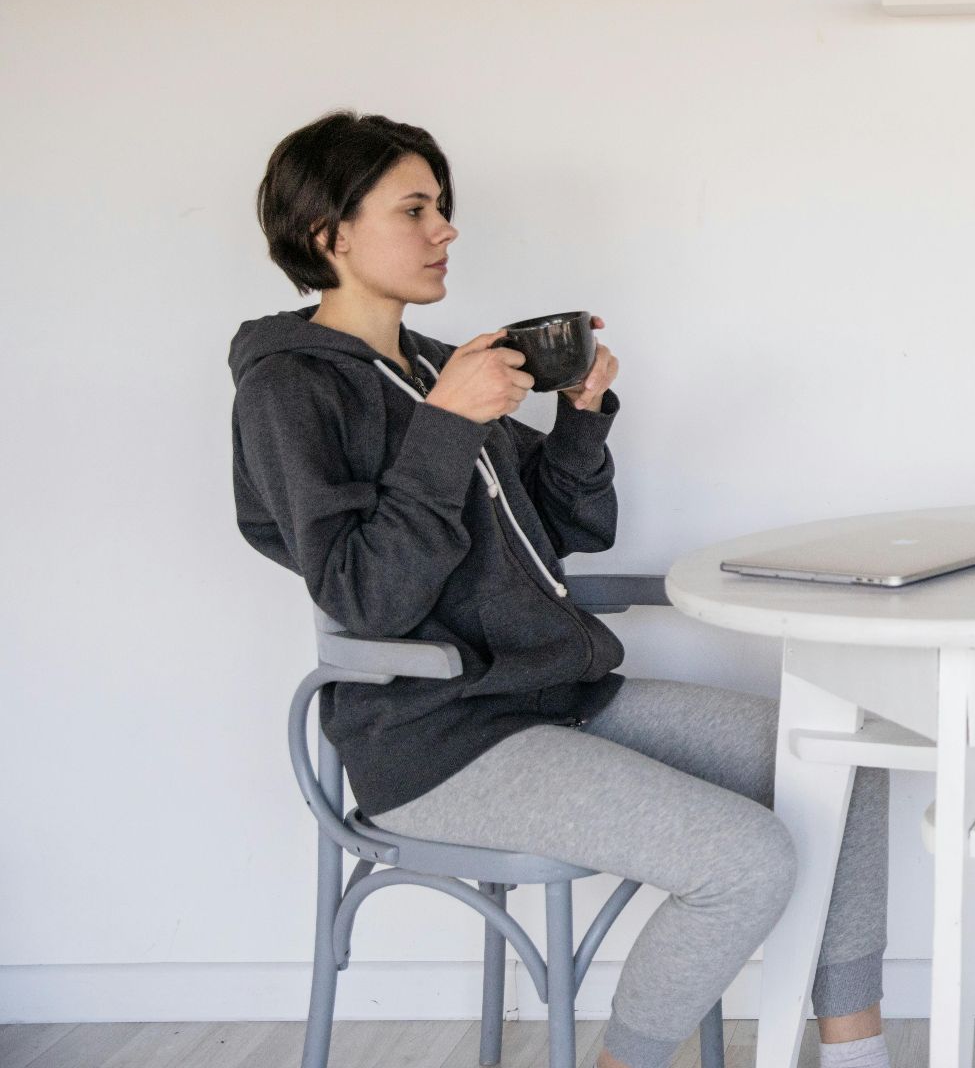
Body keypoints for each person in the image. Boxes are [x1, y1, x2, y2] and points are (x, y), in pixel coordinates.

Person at [231, 111, 893, 1068]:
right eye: (414, 209)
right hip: (438, 738)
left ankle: (852, 1051)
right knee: (746, 860)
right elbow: (364, 594)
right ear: (330, 234)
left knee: (848, 766)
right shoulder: (290, 389)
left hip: (557, 696)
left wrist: (579, 417)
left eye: (443, 208)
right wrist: (448, 425)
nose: (444, 229)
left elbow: (569, 529)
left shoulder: (432, 365)